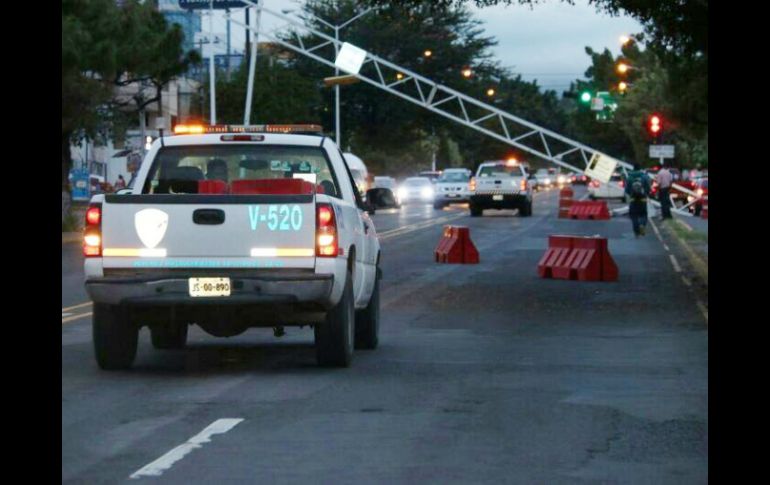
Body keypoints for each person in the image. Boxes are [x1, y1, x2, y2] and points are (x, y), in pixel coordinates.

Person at [624, 163, 652, 238]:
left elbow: (626, 190)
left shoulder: (629, 177)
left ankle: (636, 232)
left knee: (634, 216)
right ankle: (642, 225)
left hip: (633, 200)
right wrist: (646, 193)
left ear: (633, 168)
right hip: (642, 199)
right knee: (643, 214)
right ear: (640, 169)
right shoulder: (644, 177)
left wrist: (631, 194)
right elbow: (649, 188)